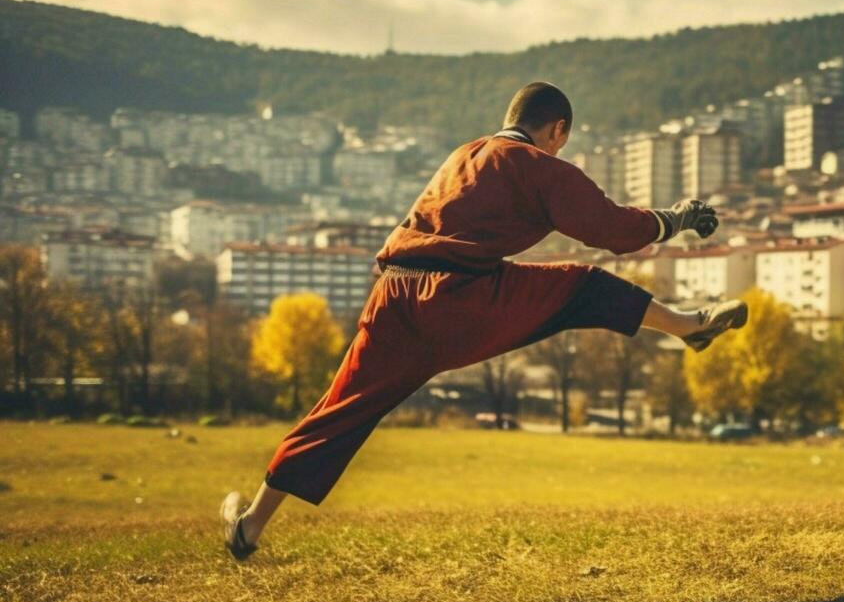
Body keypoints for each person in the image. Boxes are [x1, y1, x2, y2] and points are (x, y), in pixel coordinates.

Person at [219, 82, 747, 560]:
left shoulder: (460, 155)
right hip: (461, 301)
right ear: (556, 129)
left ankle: (249, 527)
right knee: (583, 285)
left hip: (394, 298)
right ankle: (688, 326)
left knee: (336, 411)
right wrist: (675, 218)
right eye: (562, 140)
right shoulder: (539, 165)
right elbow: (611, 228)